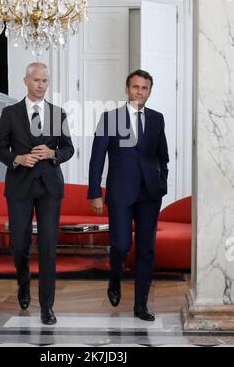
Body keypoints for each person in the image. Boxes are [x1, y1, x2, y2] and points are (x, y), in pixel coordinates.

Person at [0, 62, 74, 325]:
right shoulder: (10, 113)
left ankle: (47, 307)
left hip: (50, 187)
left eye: (45, 81)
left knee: (49, 247)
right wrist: (17, 158)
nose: (41, 85)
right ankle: (23, 284)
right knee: (19, 245)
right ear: (25, 81)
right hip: (20, 187)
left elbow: (68, 148)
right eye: (36, 80)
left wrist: (53, 154)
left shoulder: (58, 113)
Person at [88, 70, 169, 321]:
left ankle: (141, 305)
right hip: (120, 192)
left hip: (149, 194)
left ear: (149, 91)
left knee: (147, 249)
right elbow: (97, 158)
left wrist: (162, 183)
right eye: (135, 87)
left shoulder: (157, 119)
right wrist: (94, 193)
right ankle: (115, 276)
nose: (139, 92)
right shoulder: (110, 118)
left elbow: (162, 156)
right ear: (127, 89)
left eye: (144, 88)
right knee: (121, 244)